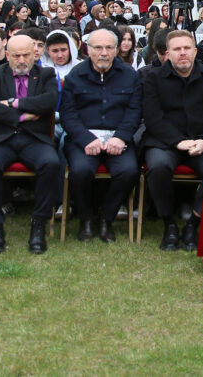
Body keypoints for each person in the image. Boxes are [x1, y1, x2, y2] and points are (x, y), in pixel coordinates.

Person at [141, 30, 203, 251]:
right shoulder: (152, 78)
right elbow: (152, 118)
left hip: (202, 142)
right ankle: (169, 224)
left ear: (195, 51)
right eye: (177, 49)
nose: (182, 53)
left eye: (187, 48)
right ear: (167, 53)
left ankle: (193, 224)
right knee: (158, 166)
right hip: (164, 142)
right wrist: (177, 142)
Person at [0, 34, 61, 254]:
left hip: (35, 139)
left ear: (35, 54)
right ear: (7, 55)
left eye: (26, 54)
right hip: (1, 139)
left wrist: (14, 103)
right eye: (16, 56)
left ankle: (38, 225)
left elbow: (49, 101)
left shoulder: (46, 74)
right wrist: (23, 116)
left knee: (51, 163)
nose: (22, 60)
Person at [60, 29, 142, 244]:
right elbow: (68, 114)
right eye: (98, 47)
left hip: (118, 139)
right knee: (80, 171)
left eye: (108, 48)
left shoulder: (130, 76)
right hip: (84, 139)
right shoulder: (74, 76)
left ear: (116, 50)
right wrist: (86, 139)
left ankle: (106, 218)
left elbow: (134, 111)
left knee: (129, 171)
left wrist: (121, 137)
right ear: (88, 49)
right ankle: (86, 218)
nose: (103, 53)